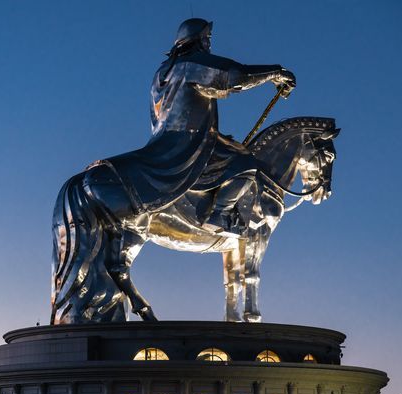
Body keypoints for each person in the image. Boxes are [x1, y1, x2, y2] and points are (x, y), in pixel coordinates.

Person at [85, 18, 296, 237]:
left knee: (233, 150)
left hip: (162, 140)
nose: (208, 43)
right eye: (207, 38)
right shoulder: (192, 64)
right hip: (188, 144)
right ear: (198, 39)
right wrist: (276, 73)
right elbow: (235, 77)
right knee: (247, 163)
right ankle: (220, 215)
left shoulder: (162, 73)